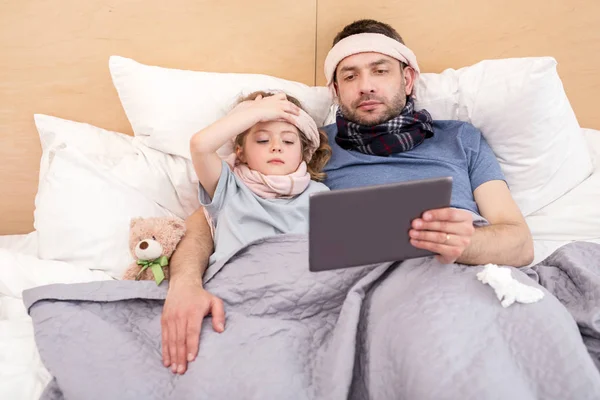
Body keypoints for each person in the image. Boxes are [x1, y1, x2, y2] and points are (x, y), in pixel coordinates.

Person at [161, 19, 534, 375]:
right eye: (350, 76)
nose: (365, 86)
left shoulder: (460, 138)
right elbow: (209, 219)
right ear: (336, 91)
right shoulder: (305, 146)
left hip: (456, 275)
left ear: (408, 78)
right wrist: (185, 286)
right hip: (358, 294)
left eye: (380, 70)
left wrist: (468, 242)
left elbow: (519, 243)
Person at [162, 91, 331, 374]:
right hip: (235, 292)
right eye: (262, 139)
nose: (276, 147)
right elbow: (200, 145)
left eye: (288, 141)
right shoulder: (228, 185)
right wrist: (254, 112)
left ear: (305, 152)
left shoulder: (320, 195)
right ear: (240, 150)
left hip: (298, 293)